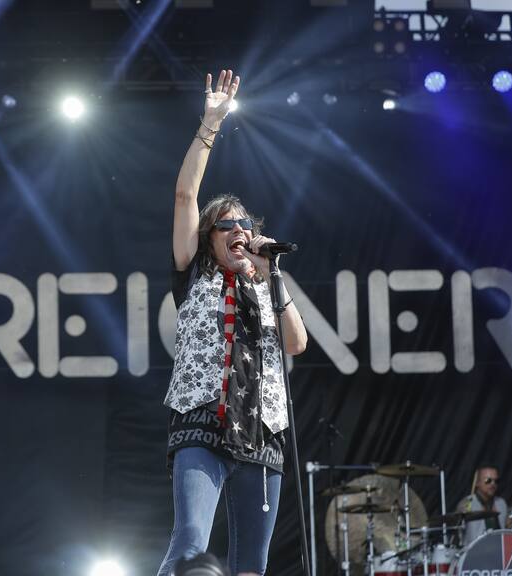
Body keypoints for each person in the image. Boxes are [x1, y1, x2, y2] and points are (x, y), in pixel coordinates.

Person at [158, 69, 308, 576]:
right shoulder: (195, 272)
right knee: (191, 543)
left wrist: (273, 279)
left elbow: (297, 343)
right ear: (210, 236)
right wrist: (211, 124)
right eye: (227, 224)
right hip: (204, 421)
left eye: (246, 225)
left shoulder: (268, 284)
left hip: (262, 433)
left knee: (252, 564)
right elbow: (184, 197)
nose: (239, 230)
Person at [456, 465, 508, 547]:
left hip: (499, 552)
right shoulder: (467, 503)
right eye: (488, 480)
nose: (493, 484)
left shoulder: (501, 503)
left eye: (496, 481)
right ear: (477, 483)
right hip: (473, 553)